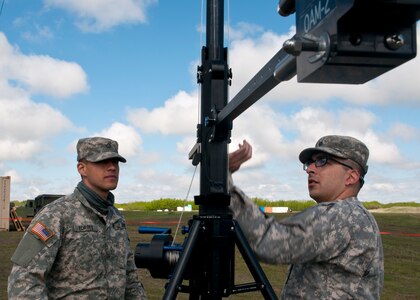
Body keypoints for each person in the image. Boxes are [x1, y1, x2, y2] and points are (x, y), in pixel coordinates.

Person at [228, 135, 384, 299]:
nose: (310, 169)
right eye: (310, 163)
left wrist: (224, 178)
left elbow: (268, 242)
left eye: (323, 161)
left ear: (351, 177)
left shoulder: (343, 214)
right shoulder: (354, 214)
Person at [8, 137, 147, 299]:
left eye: (115, 162)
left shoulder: (116, 219)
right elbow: (23, 280)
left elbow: (129, 277)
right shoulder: (56, 215)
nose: (112, 168)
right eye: (102, 162)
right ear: (82, 168)